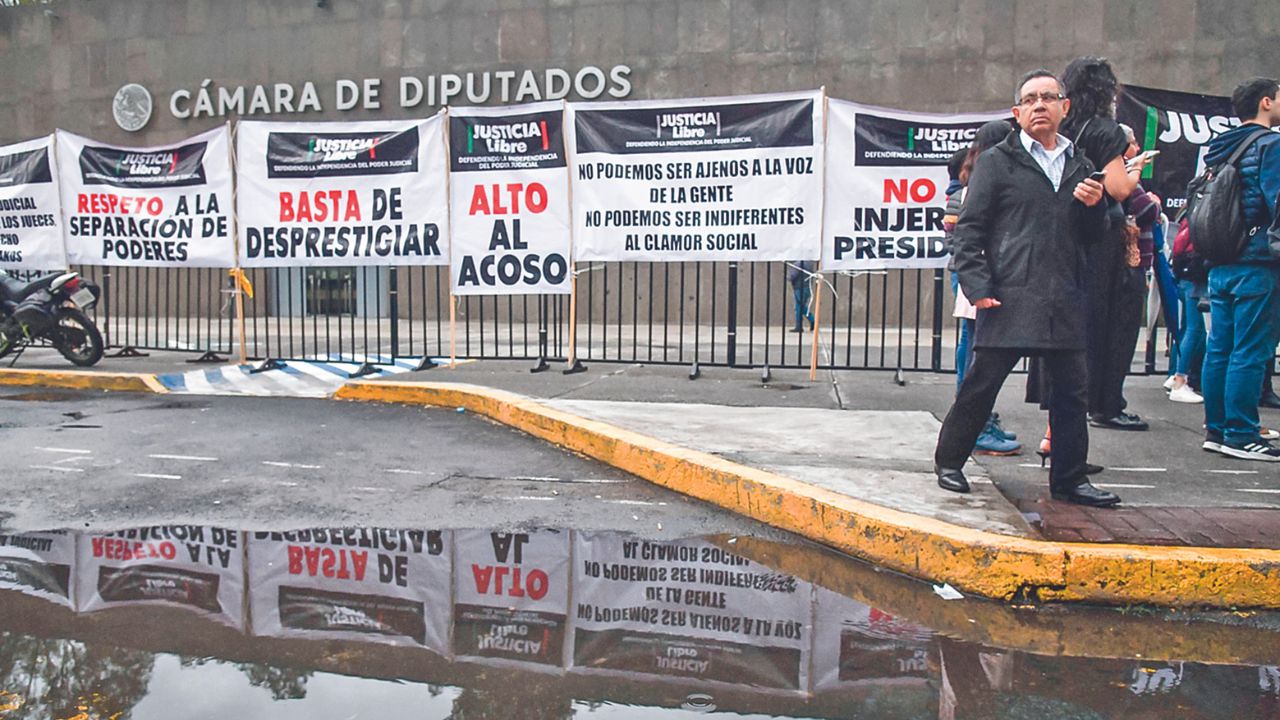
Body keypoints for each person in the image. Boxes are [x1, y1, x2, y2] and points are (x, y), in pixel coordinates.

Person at [934, 69, 1117, 507]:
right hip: (1009, 293)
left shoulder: (1081, 164)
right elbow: (969, 229)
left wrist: (1095, 208)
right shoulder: (998, 160)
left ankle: (1070, 480)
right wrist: (977, 286)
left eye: (1048, 98)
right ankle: (949, 462)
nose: (1040, 105)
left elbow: (1094, 234)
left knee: (1072, 393)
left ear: (1064, 107)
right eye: (1031, 99)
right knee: (983, 384)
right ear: (1017, 113)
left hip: (1063, 295)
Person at [1058, 57, 1153, 431]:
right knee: (1115, 323)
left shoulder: (1067, 129)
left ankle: (1080, 404)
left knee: (1081, 324)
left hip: (1071, 231)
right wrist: (1137, 168)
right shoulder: (1104, 130)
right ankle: (1106, 403)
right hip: (1106, 232)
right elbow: (1119, 188)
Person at [1200, 77, 1280, 461]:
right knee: (1251, 350)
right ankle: (1241, 433)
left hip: (1221, 257)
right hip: (1258, 261)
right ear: (1266, 102)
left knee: (1220, 348)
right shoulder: (1271, 145)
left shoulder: (1220, 146)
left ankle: (1217, 429)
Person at [946, 125, 1021, 455]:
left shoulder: (979, 179)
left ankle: (979, 420)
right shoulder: (977, 184)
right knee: (977, 347)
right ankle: (976, 423)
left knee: (976, 345)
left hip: (983, 274)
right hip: (980, 275)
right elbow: (960, 236)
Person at [787, 260, 814, 332]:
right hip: (807, 287)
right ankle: (811, 320)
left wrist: (788, 277)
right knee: (801, 306)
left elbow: (792, 276)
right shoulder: (809, 263)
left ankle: (801, 325)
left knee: (799, 307)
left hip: (799, 288)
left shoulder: (798, 264)